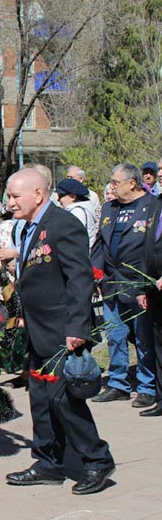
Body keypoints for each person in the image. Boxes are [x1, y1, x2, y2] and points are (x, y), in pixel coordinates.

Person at [4, 168, 115, 495]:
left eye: (15, 196)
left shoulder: (63, 223)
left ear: (38, 194)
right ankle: (48, 463)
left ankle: (97, 459)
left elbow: (80, 277)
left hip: (61, 330)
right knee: (40, 400)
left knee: (64, 399)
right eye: (9, 197)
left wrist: (77, 327)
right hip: (37, 330)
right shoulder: (26, 229)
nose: (9, 203)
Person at [90, 164, 156, 408]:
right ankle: (118, 383)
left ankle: (148, 385)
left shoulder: (153, 206)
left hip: (139, 282)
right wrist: (94, 273)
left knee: (143, 337)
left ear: (132, 183)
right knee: (115, 336)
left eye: (115, 182)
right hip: (111, 282)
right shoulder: (109, 208)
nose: (111, 186)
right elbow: (99, 244)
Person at [139, 195, 162, 417]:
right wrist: (142, 287)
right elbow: (146, 245)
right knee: (159, 346)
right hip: (155, 289)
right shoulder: (156, 205)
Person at [55, 179, 98, 248]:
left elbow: (73, 238)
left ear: (73, 197)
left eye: (60, 196)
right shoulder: (80, 209)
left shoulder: (78, 212)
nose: (58, 199)